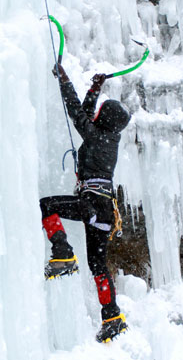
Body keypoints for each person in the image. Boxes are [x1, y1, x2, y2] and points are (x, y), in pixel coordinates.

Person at [40, 64, 131, 343]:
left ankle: (63, 251)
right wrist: (94, 87)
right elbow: (86, 115)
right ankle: (112, 316)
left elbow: (75, 111)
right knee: (98, 264)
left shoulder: (95, 135)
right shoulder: (109, 138)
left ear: (105, 118)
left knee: (47, 206)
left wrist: (66, 80)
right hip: (105, 211)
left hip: (91, 203)